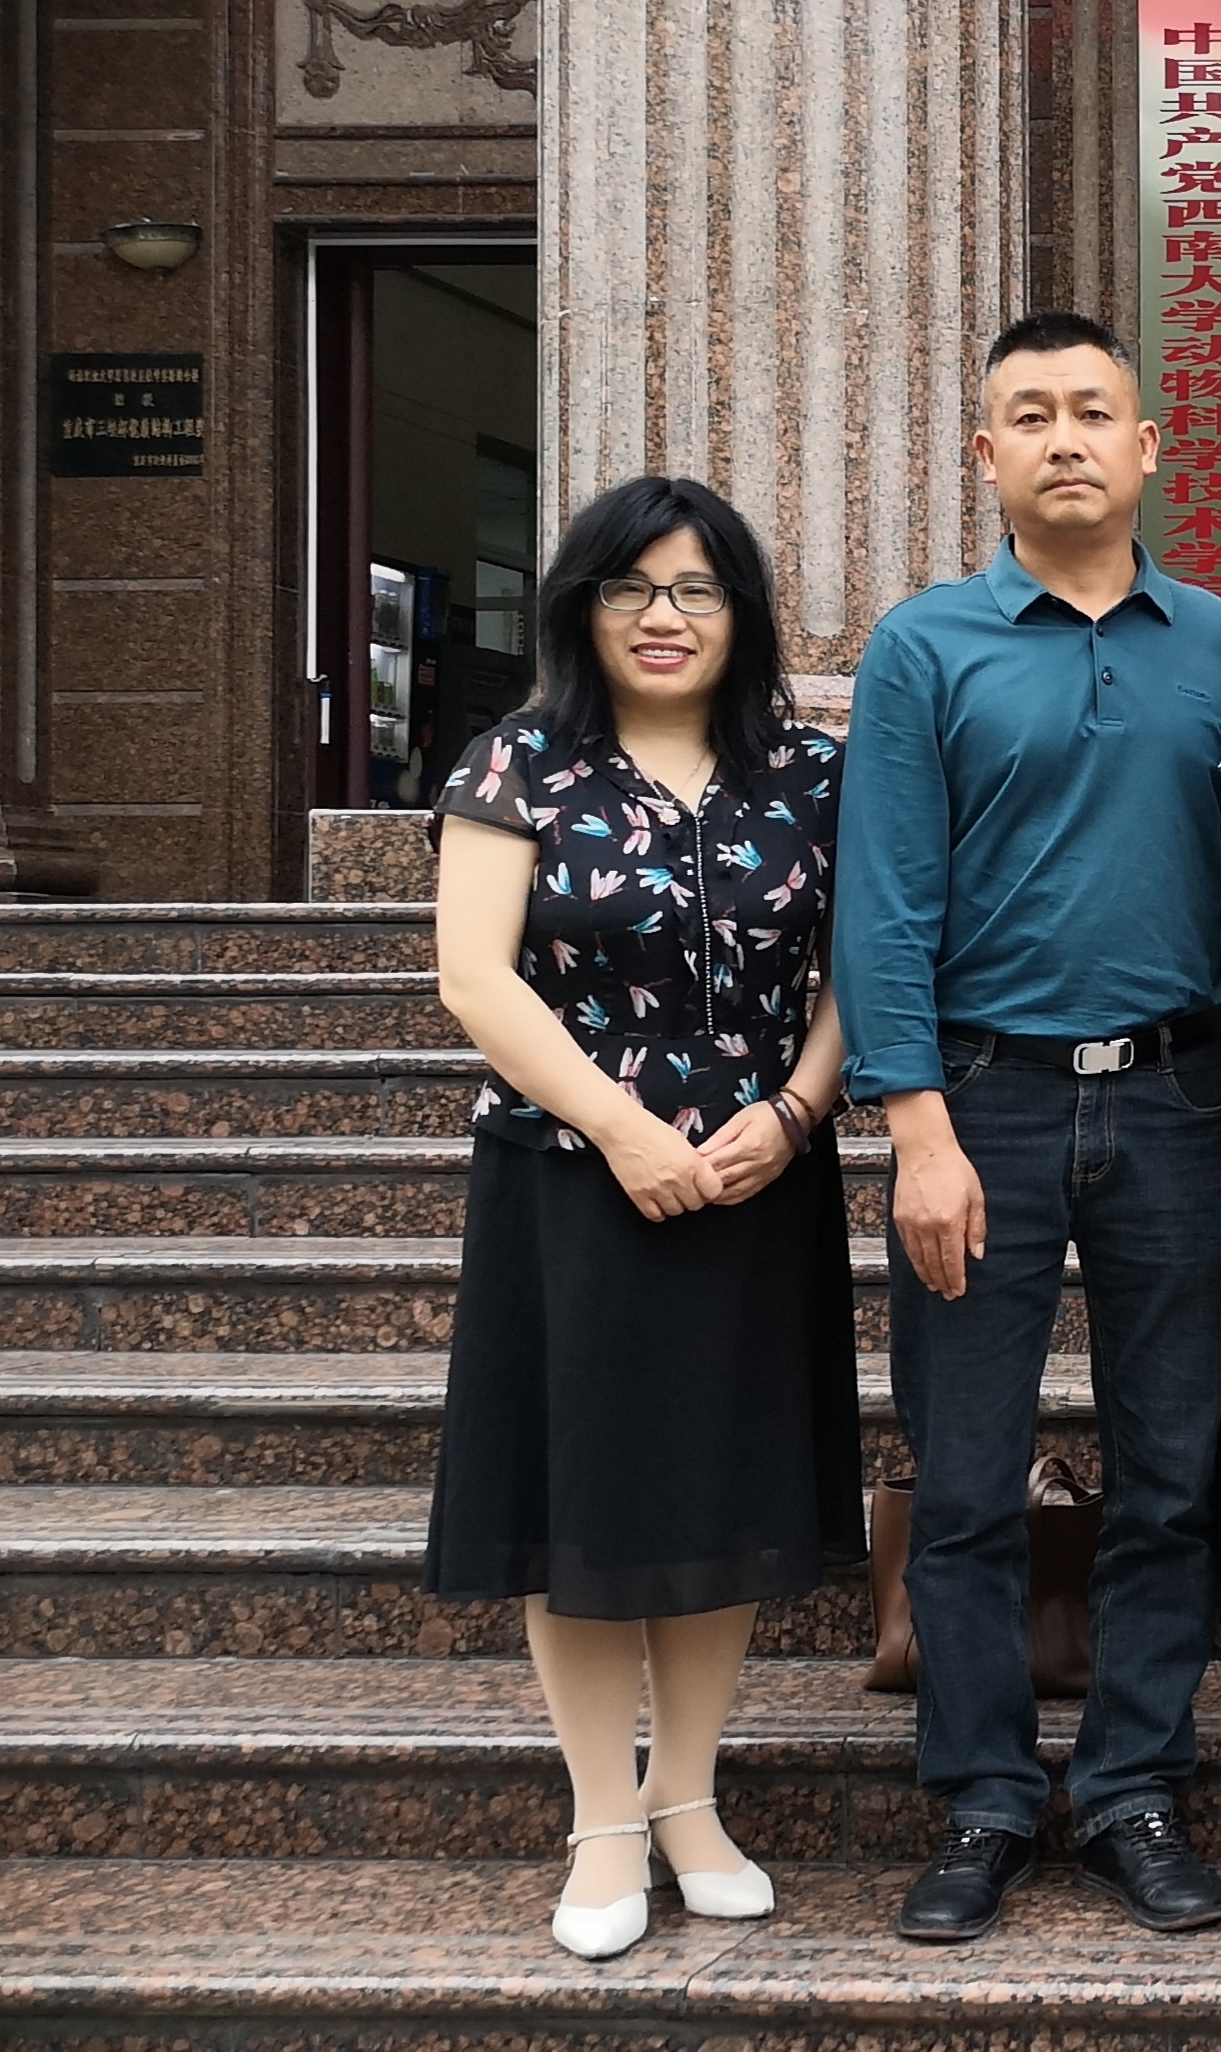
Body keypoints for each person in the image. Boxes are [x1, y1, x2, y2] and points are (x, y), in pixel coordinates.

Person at [835, 311, 1221, 1946]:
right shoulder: (924, 648)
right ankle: (986, 1797)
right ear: (987, 453)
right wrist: (917, 1127)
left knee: (1171, 1475)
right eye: (1032, 414)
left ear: (1149, 448)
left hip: (1179, 1102)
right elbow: (884, 901)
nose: (1066, 438)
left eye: (1095, 411)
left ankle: (1136, 1786)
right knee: (964, 1479)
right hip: (985, 1104)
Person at [422, 473, 860, 1961]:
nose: (663, 617)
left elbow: (861, 969)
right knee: (589, 1503)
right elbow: (475, 977)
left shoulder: (811, 773)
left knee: (721, 1494)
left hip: (754, 1180)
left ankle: (688, 1798)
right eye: (631, 588)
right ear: (580, 606)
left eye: (697, 590)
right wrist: (620, 1129)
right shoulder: (519, 764)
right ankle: (603, 1820)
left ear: (742, 613)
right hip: (571, 1183)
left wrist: (795, 1112)